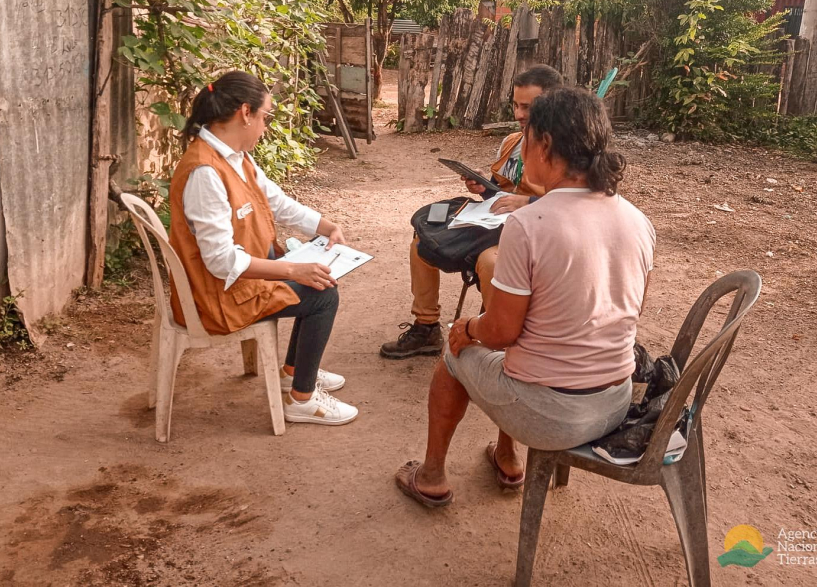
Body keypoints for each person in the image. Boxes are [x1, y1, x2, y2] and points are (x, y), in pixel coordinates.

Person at [395, 86, 655, 506]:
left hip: (553, 416)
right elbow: (631, 309)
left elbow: (498, 332)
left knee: (455, 353)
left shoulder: (529, 224)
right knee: (518, 352)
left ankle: (431, 476)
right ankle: (504, 455)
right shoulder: (636, 219)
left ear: (545, 145)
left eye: (529, 137)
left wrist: (465, 328)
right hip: (615, 399)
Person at [168, 71, 358, 426]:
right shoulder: (205, 172)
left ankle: (292, 372)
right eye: (266, 117)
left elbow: (279, 203)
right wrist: (291, 269)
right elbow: (220, 261)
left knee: (317, 277)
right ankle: (302, 400)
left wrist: (325, 225)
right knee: (323, 294)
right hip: (217, 295)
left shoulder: (233, 157)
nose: (265, 127)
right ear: (245, 113)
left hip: (233, 280)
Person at [379, 65, 564, 360]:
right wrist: (485, 186)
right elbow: (504, 190)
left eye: (527, 107)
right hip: (495, 223)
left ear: (554, 104)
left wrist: (527, 204)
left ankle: (501, 340)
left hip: (534, 235)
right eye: (515, 105)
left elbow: (574, 204)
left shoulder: (565, 150)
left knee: (492, 262)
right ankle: (426, 327)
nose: (518, 114)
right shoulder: (512, 143)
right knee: (424, 241)